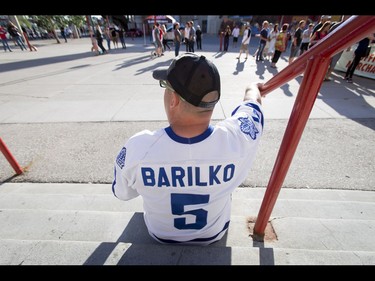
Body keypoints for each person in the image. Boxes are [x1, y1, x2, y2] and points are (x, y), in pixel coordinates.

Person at [112, 53, 264, 245]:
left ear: (174, 99)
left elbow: (122, 193)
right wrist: (252, 89)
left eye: (165, 87)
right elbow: (252, 106)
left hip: (160, 235)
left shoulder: (138, 147)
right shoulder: (237, 138)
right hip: (213, 234)